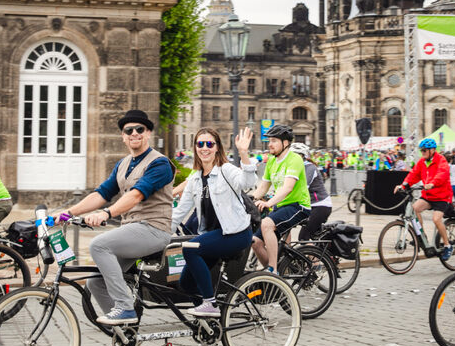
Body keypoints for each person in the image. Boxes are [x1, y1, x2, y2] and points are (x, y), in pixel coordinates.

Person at [58, 110, 173, 325]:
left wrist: (106, 213)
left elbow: (136, 195)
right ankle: (125, 331)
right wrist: (67, 213)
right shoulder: (122, 164)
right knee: (95, 283)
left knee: (99, 245)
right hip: (132, 231)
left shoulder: (159, 163)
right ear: (123, 136)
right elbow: (101, 194)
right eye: (129, 130)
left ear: (148, 133)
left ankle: (124, 307)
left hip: (154, 229)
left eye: (140, 129)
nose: (134, 133)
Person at [171, 127, 256, 316]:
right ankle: (209, 322)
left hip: (236, 233)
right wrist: (157, 234)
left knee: (189, 248)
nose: (204, 148)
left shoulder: (226, 170)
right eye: (200, 144)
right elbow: (179, 213)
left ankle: (210, 304)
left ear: (217, 147)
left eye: (209, 144)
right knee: (186, 283)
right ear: (195, 148)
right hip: (213, 236)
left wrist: (243, 153)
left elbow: (248, 183)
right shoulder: (194, 179)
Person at [250, 124, 310, 272]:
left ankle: (273, 270)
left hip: (298, 206)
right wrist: (248, 199)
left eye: (274, 141)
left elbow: (288, 188)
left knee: (266, 225)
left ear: (285, 143)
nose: (269, 144)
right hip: (281, 206)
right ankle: (275, 277)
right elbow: (263, 187)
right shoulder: (271, 160)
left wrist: (268, 203)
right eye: (269, 141)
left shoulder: (294, 159)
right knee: (255, 241)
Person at [393, 138, 455, 259]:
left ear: (432, 150)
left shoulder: (441, 160)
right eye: (421, 151)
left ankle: (448, 245)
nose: (422, 153)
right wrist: (404, 185)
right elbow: (413, 175)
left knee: (436, 219)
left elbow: (442, 174)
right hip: (428, 195)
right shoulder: (422, 162)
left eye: (424, 150)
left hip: (442, 196)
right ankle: (422, 237)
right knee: (415, 208)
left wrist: (432, 183)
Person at [289, 143, 333, 240]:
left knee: (303, 238)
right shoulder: (295, 167)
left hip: (320, 205)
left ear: (302, 156)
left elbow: (302, 187)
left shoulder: (309, 168)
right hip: (308, 205)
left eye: (293, 156)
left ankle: (311, 255)